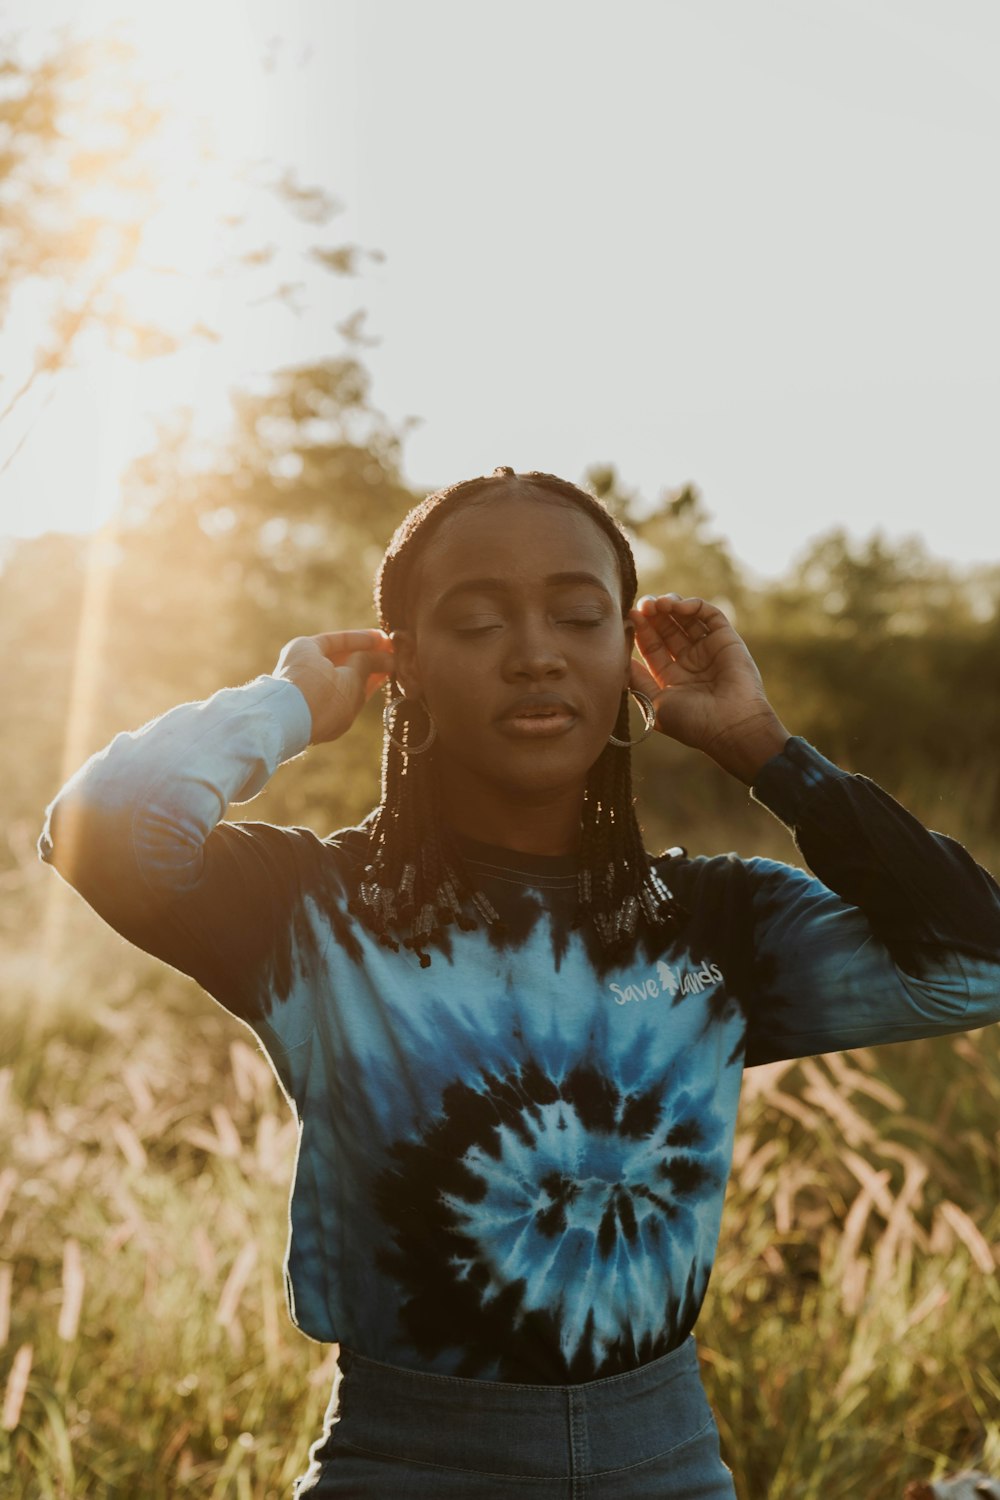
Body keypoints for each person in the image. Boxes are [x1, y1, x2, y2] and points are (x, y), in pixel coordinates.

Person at [39, 466, 1000, 1498]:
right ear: (404, 668)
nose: (537, 654)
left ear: (622, 654)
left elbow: (973, 964)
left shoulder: (721, 922)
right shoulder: (312, 913)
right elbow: (103, 829)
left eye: (579, 616)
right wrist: (289, 701)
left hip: (667, 1465)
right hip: (403, 1466)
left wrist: (760, 749)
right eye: (477, 622)